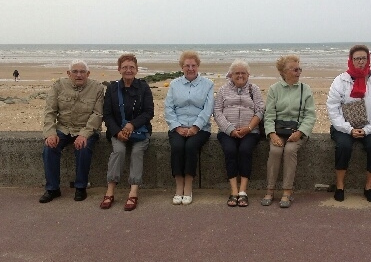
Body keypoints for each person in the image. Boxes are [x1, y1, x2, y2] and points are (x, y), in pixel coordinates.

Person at [326, 44, 371, 203]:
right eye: (357, 59)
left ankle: (368, 187)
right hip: (344, 127)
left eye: (363, 58)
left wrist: (368, 130)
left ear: (368, 60)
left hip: (370, 127)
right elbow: (333, 108)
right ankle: (340, 186)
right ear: (351, 60)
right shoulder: (340, 81)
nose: (360, 61)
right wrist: (348, 129)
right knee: (343, 146)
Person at [39, 60, 104, 203]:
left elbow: (97, 115)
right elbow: (50, 112)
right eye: (75, 71)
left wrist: (84, 134)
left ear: (88, 74)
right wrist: (50, 133)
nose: (79, 75)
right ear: (69, 74)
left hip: (86, 128)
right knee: (49, 148)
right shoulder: (58, 86)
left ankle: (81, 187)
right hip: (64, 128)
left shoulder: (97, 88)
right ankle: (52, 189)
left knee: (83, 147)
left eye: (82, 72)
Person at [100, 54, 154, 211]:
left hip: (140, 131)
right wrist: (117, 132)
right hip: (117, 131)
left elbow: (149, 112)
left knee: (137, 151)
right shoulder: (112, 88)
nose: (128, 70)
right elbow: (107, 115)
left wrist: (132, 125)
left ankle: (134, 191)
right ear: (119, 70)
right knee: (119, 151)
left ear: (136, 69)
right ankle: (110, 189)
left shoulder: (144, 87)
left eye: (131, 67)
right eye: (125, 67)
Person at [261, 55, 316, 208]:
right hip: (278, 131)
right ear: (284, 72)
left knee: (290, 150)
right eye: (295, 69)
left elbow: (310, 115)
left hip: (297, 131)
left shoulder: (306, 89)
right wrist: (272, 134)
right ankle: (270, 189)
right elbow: (269, 114)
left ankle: (287, 190)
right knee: (275, 151)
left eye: (300, 69)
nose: (298, 72)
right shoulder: (274, 89)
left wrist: (300, 132)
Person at [164, 51, 214, 205]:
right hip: (178, 126)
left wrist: (195, 127)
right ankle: (179, 186)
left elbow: (208, 108)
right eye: (187, 65)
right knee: (178, 147)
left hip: (200, 128)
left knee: (191, 146)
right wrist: (177, 127)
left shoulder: (208, 84)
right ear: (182, 67)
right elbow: (168, 108)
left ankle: (189, 186)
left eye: (193, 65)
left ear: (198, 66)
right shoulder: (174, 84)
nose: (190, 68)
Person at [214, 60, 265, 207]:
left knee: (245, 150)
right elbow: (217, 112)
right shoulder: (223, 90)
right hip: (227, 132)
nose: (240, 76)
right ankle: (233, 191)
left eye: (243, 73)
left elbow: (260, 111)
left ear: (248, 75)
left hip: (250, 131)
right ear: (230, 75)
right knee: (230, 150)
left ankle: (243, 191)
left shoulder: (254, 89)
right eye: (237, 73)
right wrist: (230, 129)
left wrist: (248, 128)